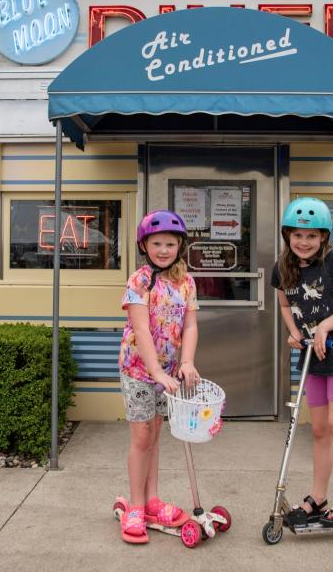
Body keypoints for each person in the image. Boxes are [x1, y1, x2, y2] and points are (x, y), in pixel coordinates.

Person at [270, 197, 333, 528]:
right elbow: (285, 305)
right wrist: (296, 333)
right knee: (320, 430)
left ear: (324, 237)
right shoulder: (282, 267)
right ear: (287, 235)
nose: (304, 242)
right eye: (297, 235)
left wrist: (324, 325)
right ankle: (319, 496)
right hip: (312, 357)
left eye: (312, 235)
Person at [117, 209, 201, 544]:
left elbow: (191, 325)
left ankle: (152, 499)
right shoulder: (140, 280)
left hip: (167, 373)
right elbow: (140, 327)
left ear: (180, 246)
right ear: (145, 245)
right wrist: (153, 371)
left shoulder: (186, 282)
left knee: (154, 436)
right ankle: (136, 506)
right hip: (139, 370)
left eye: (170, 243)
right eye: (157, 243)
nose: (163, 249)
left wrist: (187, 361)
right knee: (141, 438)